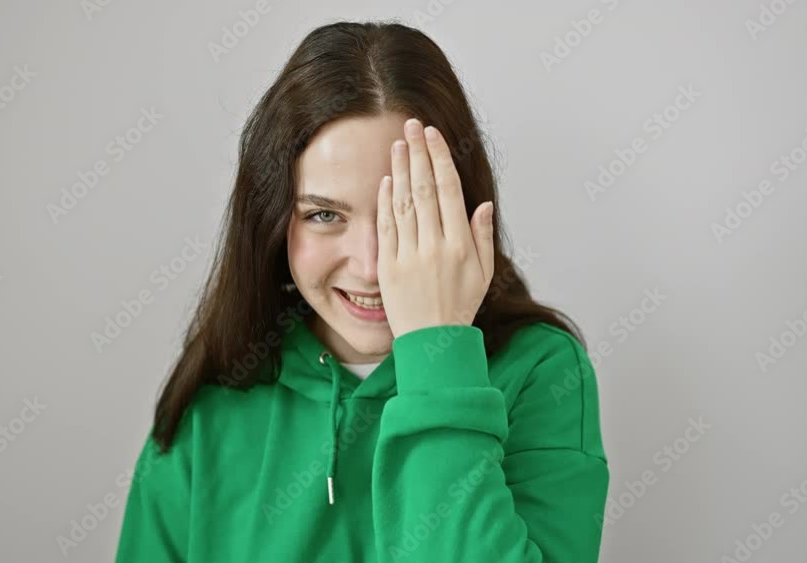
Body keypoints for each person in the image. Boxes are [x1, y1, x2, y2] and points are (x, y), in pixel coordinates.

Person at [116, 20, 609, 563]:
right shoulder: (213, 396)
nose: (373, 267)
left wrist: (436, 347)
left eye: (405, 211)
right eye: (324, 214)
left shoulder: (541, 372)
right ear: (275, 223)